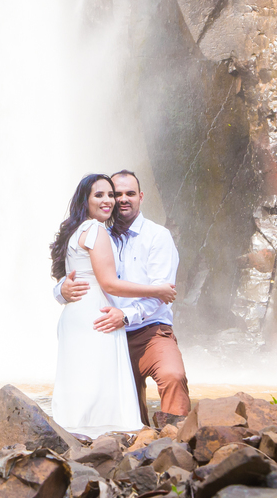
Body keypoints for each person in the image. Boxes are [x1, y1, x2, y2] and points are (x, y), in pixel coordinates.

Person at [55, 170, 190, 427]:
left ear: (141, 196)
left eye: (130, 193)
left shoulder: (158, 236)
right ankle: (132, 442)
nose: (122, 199)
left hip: (150, 330)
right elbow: (74, 274)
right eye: (117, 194)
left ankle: (178, 437)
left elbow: (161, 293)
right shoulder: (98, 231)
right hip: (108, 331)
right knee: (123, 403)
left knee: (172, 375)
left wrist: (125, 316)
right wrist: (61, 290)